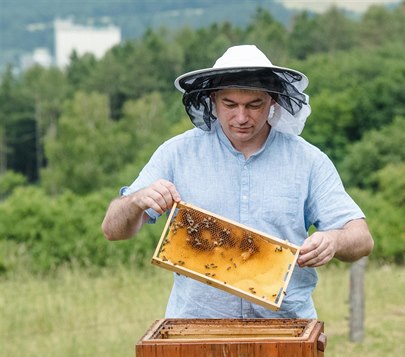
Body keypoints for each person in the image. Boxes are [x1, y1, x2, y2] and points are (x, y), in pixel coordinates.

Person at [101, 44, 373, 319]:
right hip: (197, 327)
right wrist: (135, 201)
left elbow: (362, 239)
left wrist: (334, 240)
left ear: (273, 101)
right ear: (212, 100)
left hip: (284, 329)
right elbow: (113, 230)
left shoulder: (308, 160)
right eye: (230, 104)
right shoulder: (176, 153)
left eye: (254, 105)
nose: (242, 117)